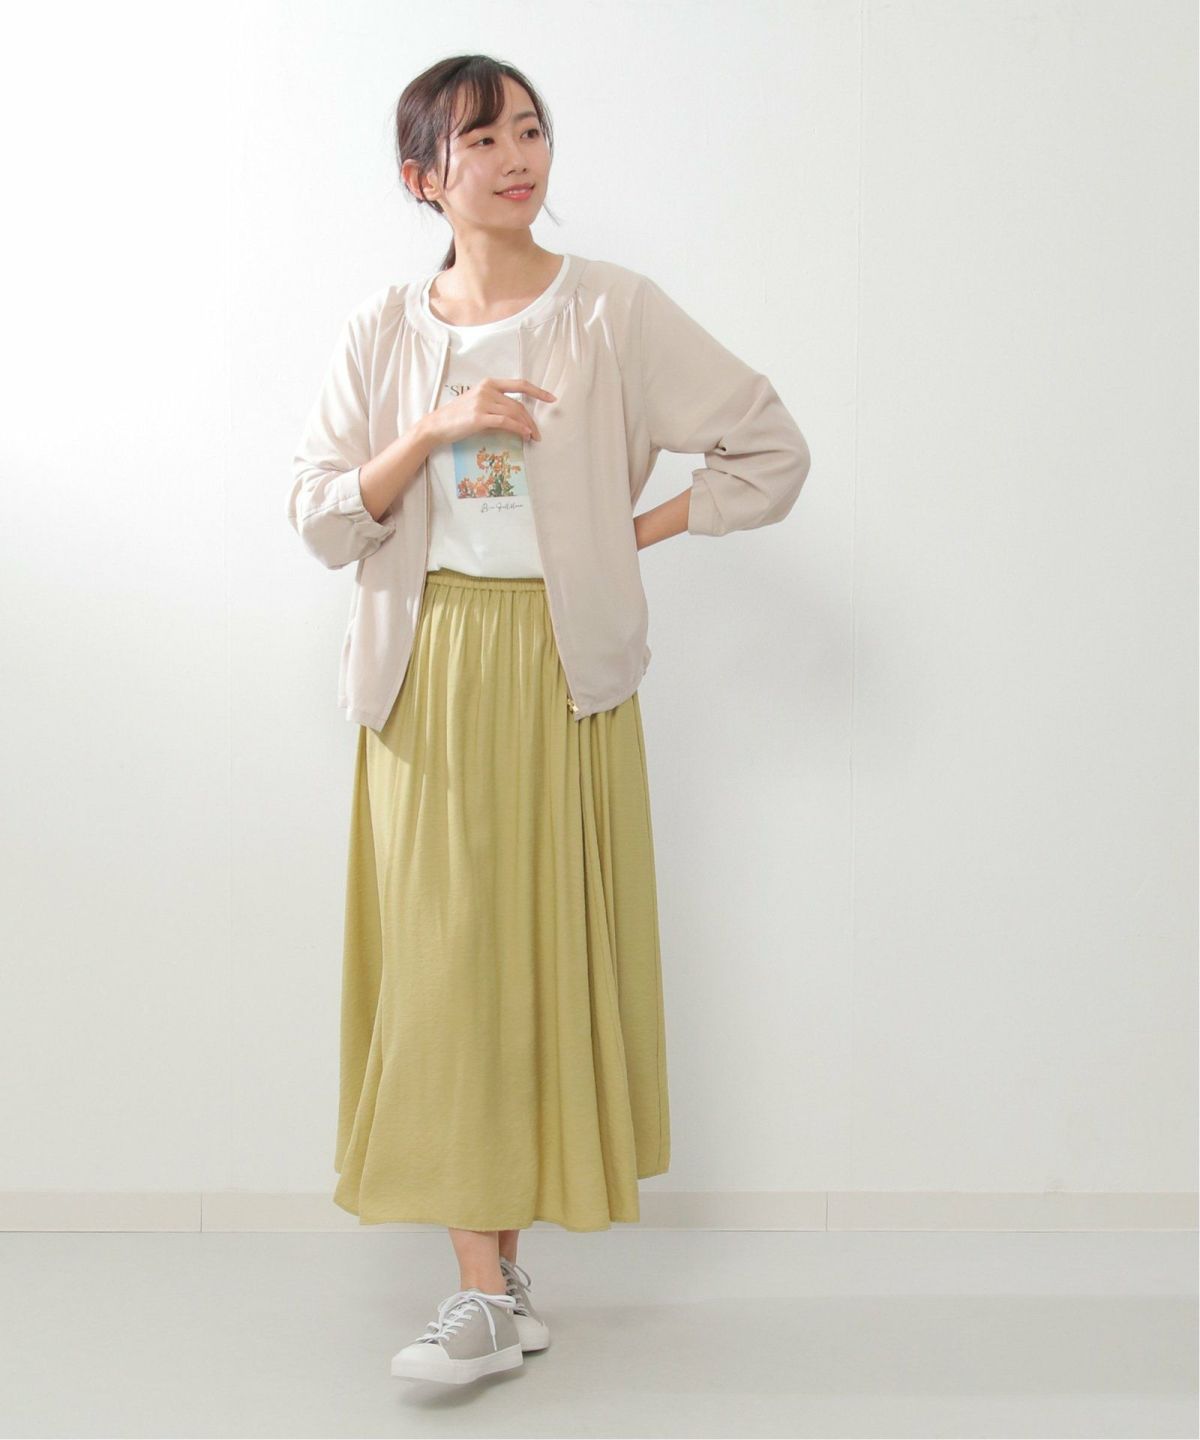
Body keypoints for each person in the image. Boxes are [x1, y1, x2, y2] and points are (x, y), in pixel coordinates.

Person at [287, 53, 812, 1386]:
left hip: (565, 670)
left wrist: (626, 536)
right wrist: (435, 430)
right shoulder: (381, 331)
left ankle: (497, 1288)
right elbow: (321, 514)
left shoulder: (612, 312)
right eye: (482, 141)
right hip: (425, 671)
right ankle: (482, 1289)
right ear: (423, 177)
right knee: (448, 968)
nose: (517, 157)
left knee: (529, 966)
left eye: (529, 130)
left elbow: (769, 450)